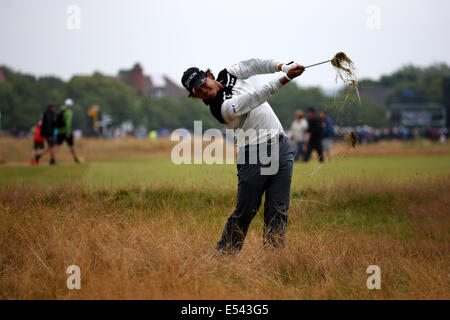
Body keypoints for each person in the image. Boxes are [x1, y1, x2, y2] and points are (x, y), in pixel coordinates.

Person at [181, 58, 305, 254]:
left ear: (210, 76)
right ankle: (223, 258)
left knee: (278, 210)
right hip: (253, 154)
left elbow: (255, 64)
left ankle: (275, 262)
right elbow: (254, 97)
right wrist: (285, 78)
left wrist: (282, 67)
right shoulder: (221, 109)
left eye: (202, 83)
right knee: (246, 211)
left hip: (281, 144)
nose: (202, 90)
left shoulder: (229, 73)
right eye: (197, 91)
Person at [56, 98, 81, 163]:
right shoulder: (68, 112)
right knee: (71, 146)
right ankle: (76, 159)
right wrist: (67, 133)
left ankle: (52, 158)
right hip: (67, 132)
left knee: (57, 145)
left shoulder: (61, 110)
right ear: (70, 105)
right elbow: (68, 124)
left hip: (60, 131)